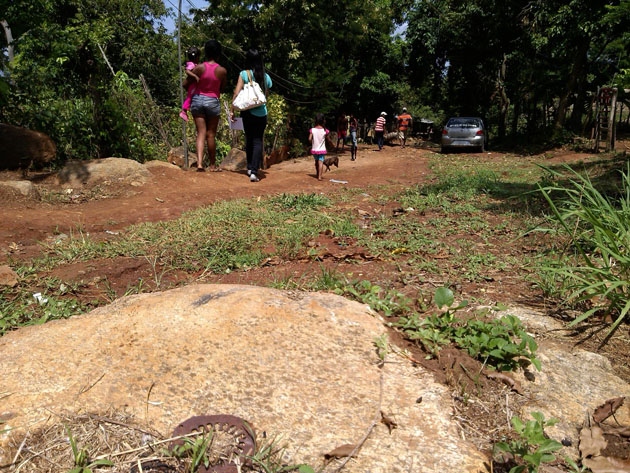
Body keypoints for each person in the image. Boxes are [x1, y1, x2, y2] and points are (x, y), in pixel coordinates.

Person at [183, 40, 227, 172]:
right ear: (219, 54)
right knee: (211, 134)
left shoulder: (199, 68)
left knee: (201, 132)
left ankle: (200, 164)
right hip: (213, 101)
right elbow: (223, 89)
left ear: (206, 53)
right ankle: (213, 165)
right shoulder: (222, 71)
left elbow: (185, 84)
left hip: (197, 101)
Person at [230, 49, 272, 182]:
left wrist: (232, 109)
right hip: (261, 113)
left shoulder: (244, 74)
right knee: (258, 140)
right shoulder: (265, 76)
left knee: (249, 138)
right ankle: (254, 171)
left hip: (247, 112)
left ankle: (249, 168)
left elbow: (236, 92)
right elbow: (265, 95)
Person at [179, 47, 201, 122]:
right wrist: (195, 76)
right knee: (189, 97)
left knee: (192, 97)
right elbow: (187, 71)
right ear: (196, 57)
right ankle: (184, 111)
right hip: (192, 85)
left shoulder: (195, 64)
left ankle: (186, 110)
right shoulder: (191, 64)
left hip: (194, 85)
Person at [309, 113, 329, 181]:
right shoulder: (325, 130)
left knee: (316, 162)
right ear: (323, 120)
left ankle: (317, 173)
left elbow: (309, 139)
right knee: (320, 162)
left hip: (314, 149)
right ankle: (319, 176)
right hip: (322, 149)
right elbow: (328, 139)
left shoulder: (312, 130)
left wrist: (312, 141)